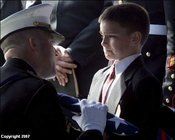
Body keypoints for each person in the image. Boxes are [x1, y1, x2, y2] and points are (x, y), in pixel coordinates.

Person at [0, 4, 108, 140]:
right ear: (34, 44)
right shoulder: (39, 90)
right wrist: (93, 129)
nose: (55, 51)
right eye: (51, 43)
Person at [87, 3, 162, 140]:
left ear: (135, 38)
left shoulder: (144, 82)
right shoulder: (99, 76)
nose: (103, 42)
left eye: (111, 36)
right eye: (102, 35)